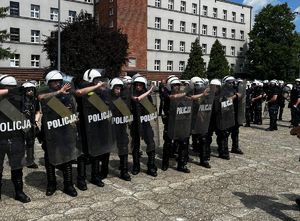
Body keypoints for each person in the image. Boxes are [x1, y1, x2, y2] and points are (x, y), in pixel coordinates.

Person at [38, 70, 80, 197]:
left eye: (59, 82)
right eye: (54, 82)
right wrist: (58, 92)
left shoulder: (66, 94)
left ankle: (68, 185)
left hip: (65, 130)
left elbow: (73, 108)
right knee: (50, 158)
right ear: (49, 83)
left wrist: (74, 117)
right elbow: (40, 98)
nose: (57, 84)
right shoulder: (45, 92)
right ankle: (52, 184)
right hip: (50, 131)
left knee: (67, 157)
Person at [75, 68, 112, 190]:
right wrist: (96, 87)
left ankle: (95, 176)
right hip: (83, 126)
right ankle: (81, 179)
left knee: (96, 151)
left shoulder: (98, 91)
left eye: (99, 80)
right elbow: (79, 93)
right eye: (96, 80)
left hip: (95, 124)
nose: (98, 82)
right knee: (81, 153)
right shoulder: (82, 88)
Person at [0, 75, 31, 203]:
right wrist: (10, 91)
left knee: (17, 168)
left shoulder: (18, 99)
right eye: (7, 87)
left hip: (15, 137)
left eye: (12, 87)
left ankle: (19, 192)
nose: (10, 89)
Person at [130, 76, 158, 177]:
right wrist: (150, 90)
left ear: (143, 86)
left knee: (151, 144)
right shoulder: (132, 94)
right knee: (136, 146)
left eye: (140, 85)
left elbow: (151, 109)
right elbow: (137, 99)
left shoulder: (148, 96)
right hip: (135, 124)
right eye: (136, 85)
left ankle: (151, 166)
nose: (138, 86)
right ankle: (136, 166)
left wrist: (153, 111)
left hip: (145, 123)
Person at [109, 78, 133, 181]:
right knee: (106, 149)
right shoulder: (107, 99)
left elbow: (127, 114)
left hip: (121, 128)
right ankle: (103, 170)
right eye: (116, 88)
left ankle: (124, 171)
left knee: (123, 147)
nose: (118, 91)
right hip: (110, 128)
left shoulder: (123, 99)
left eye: (120, 89)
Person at [22, 81, 40, 169]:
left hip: (32, 124)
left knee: (30, 143)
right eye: (28, 90)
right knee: (19, 143)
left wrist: (36, 121)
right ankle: (17, 160)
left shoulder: (35, 100)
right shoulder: (19, 101)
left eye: (32, 90)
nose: (31, 92)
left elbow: (37, 111)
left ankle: (30, 161)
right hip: (21, 124)